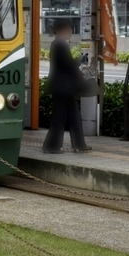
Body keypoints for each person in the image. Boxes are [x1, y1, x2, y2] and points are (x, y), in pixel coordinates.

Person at [43, 19, 91, 154]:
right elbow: (68, 65)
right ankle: (51, 146)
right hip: (62, 87)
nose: (70, 32)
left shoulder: (58, 44)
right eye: (68, 30)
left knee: (73, 116)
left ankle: (79, 144)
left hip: (63, 87)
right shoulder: (59, 45)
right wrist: (79, 62)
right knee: (59, 117)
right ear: (61, 31)